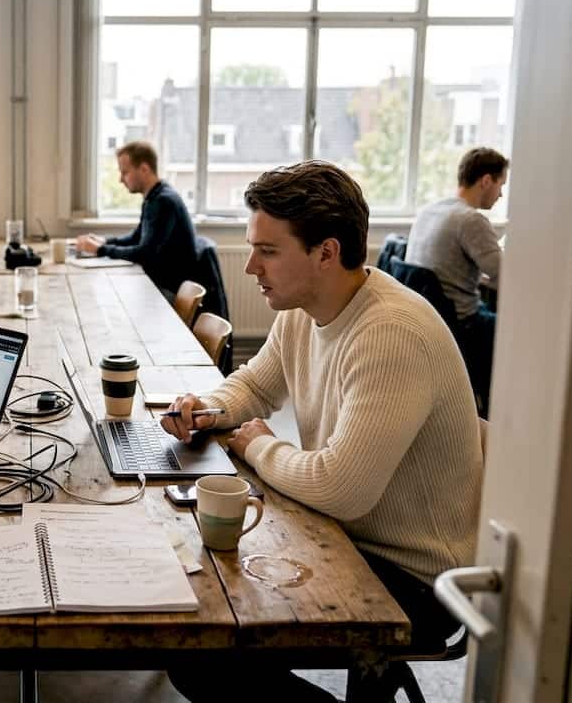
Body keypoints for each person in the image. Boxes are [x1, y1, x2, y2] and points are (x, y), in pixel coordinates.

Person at [161, 161, 482, 701]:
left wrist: (260, 445)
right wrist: (207, 409)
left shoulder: (390, 334)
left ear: (326, 252)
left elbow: (341, 488)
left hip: (415, 575)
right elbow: (256, 385)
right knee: (199, 605)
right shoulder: (303, 308)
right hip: (346, 535)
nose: (251, 267)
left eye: (267, 251)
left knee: (204, 655)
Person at [405, 147, 508, 408]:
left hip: (428, 316)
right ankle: (498, 410)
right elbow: (505, 275)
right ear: (486, 181)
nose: (501, 194)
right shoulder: (470, 219)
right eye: (501, 185)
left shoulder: (430, 210)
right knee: (516, 330)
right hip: (462, 324)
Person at [75, 141, 199, 300]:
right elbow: (136, 237)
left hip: (167, 291)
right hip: (159, 285)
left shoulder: (163, 202)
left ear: (144, 169)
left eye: (125, 172)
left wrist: (100, 250)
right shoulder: (154, 197)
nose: (120, 179)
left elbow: (145, 254)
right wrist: (104, 242)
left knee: (105, 296)